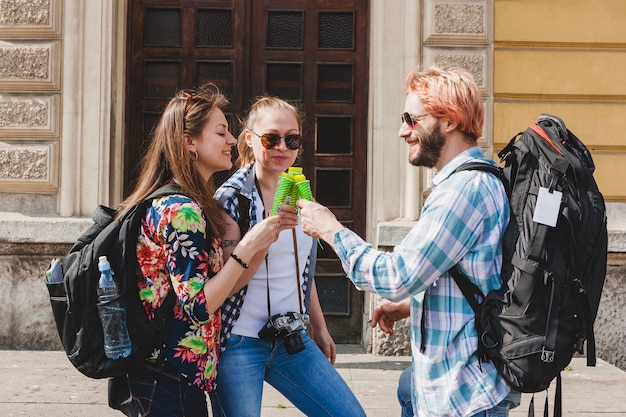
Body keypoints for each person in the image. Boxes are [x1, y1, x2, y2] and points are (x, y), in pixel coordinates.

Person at [297, 66, 521, 417]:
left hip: (462, 397)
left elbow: (396, 277)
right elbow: (472, 273)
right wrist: (410, 305)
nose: (403, 131)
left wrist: (331, 230)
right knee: (407, 388)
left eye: (411, 119)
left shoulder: (464, 190)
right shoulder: (471, 181)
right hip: (454, 389)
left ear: (449, 121)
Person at [116, 84, 297, 417]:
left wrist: (262, 244)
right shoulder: (182, 212)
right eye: (222, 132)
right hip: (167, 376)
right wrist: (247, 246)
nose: (232, 140)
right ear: (190, 143)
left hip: (174, 374)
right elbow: (198, 307)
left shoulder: (192, 205)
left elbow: (224, 287)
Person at [211, 96, 366, 417]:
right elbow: (226, 285)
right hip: (239, 341)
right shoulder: (232, 198)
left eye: (292, 139)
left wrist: (320, 328)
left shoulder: (298, 190)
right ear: (250, 139)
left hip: (290, 337)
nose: (283, 147)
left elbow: (300, 270)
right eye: (271, 138)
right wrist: (265, 238)